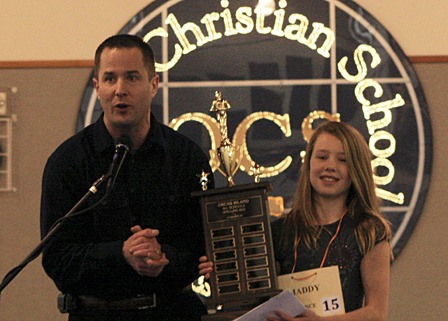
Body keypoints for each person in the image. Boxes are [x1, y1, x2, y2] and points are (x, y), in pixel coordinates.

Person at [40, 34, 214, 321]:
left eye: (132, 77)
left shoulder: (187, 158)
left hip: (173, 312)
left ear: (154, 85)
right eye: (110, 79)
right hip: (97, 314)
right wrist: (121, 254)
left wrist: (162, 259)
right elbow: (58, 260)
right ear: (97, 87)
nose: (120, 90)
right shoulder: (67, 161)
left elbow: (203, 250)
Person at [199, 121, 392, 321]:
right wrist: (222, 272)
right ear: (308, 163)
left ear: (357, 169)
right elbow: (254, 298)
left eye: (343, 160)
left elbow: (376, 313)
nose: (330, 166)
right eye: (322, 157)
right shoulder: (279, 230)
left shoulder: (369, 231)